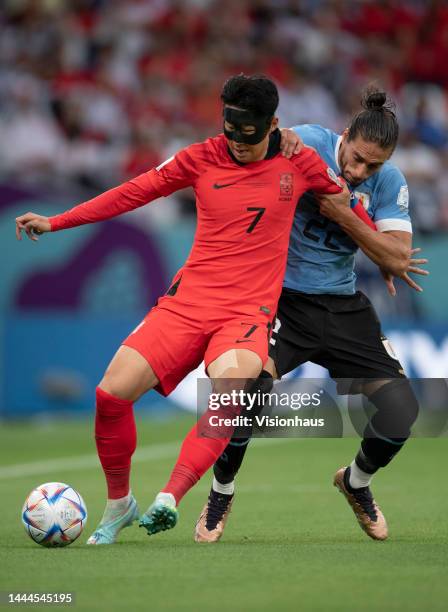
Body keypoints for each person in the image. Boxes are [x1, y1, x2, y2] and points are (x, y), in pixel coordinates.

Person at [15, 74, 375, 545]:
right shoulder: (199, 157)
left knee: (227, 398)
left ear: (272, 126)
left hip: (247, 314)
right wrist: (57, 221)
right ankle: (120, 504)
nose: (238, 145)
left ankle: (171, 496)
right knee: (111, 395)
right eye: (231, 132)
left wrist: (385, 252)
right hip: (187, 304)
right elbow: (133, 192)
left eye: (249, 136)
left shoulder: (300, 162)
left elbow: (348, 206)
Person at [195, 88, 427, 543]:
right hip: (280, 300)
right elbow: (246, 152)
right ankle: (221, 491)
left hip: (343, 306)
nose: (359, 172)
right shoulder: (303, 142)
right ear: (344, 136)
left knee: (402, 412)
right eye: (356, 159)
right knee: (248, 390)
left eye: (371, 166)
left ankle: (356, 482)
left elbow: (399, 258)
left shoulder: (389, 181)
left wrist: (344, 212)